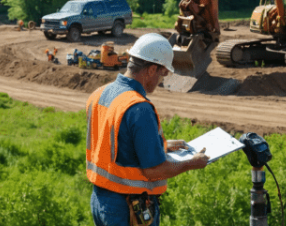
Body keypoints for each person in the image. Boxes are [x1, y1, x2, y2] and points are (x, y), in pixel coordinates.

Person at [86, 33, 209, 226]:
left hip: (100, 200)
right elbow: (154, 171)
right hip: (127, 207)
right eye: (163, 73)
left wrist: (162, 146)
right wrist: (192, 163)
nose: (162, 80)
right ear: (152, 70)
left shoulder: (99, 94)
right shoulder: (139, 108)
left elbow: (117, 146)